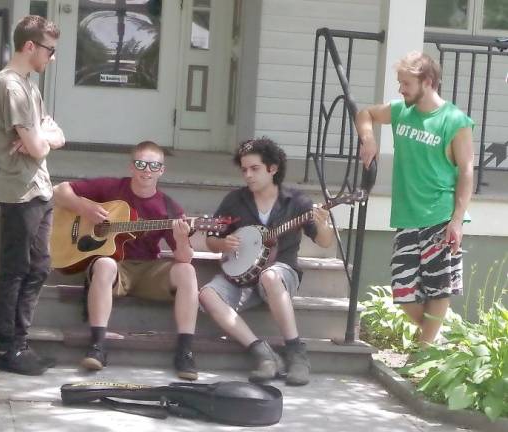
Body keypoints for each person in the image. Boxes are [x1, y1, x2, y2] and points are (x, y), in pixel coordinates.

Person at [52, 141, 201, 380]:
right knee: (103, 263)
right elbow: (59, 191)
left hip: (149, 271)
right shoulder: (112, 188)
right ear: (131, 167)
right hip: (115, 269)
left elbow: (184, 258)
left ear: (162, 170)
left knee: (188, 272)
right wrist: (84, 208)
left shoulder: (170, 208)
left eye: (154, 165)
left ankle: (185, 351)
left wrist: (182, 239)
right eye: (141, 164)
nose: (147, 170)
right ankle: (98, 346)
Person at [355, 51, 474, 346]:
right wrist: (369, 139)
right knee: (403, 291)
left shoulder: (455, 121)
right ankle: (435, 339)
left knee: (438, 288)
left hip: (440, 215)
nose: (400, 90)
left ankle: (424, 350)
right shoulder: (400, 111)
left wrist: (457, 220)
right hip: (407, 216)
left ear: (428, 82)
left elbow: (466, 173)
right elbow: (365, 113)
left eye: (405, 83)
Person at [199, 137, 335, 386]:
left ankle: (296, 353)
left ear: (272, 168)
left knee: (270, 275)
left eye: (255, 169)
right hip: (241, 278)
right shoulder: (235, 200)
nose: (248, 175)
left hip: (280, 276)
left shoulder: (297, 203)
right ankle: (263, 353)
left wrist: (323, 223)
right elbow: (211, 240)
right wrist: (223, 243)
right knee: (207, 294)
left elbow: (325, 242)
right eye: (244, 170)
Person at [0, 15, 65, 375]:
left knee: (38, 266)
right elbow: (36, 145)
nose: (53, 57)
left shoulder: (30, 86)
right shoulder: (11, 87)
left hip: (41, 188)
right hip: (20, 191)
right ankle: (5, 348)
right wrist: (41, 140)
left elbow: (53, 136)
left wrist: (42, 139)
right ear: (30, 46)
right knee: (15, 269)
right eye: (50, 49)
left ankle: (20, 343)